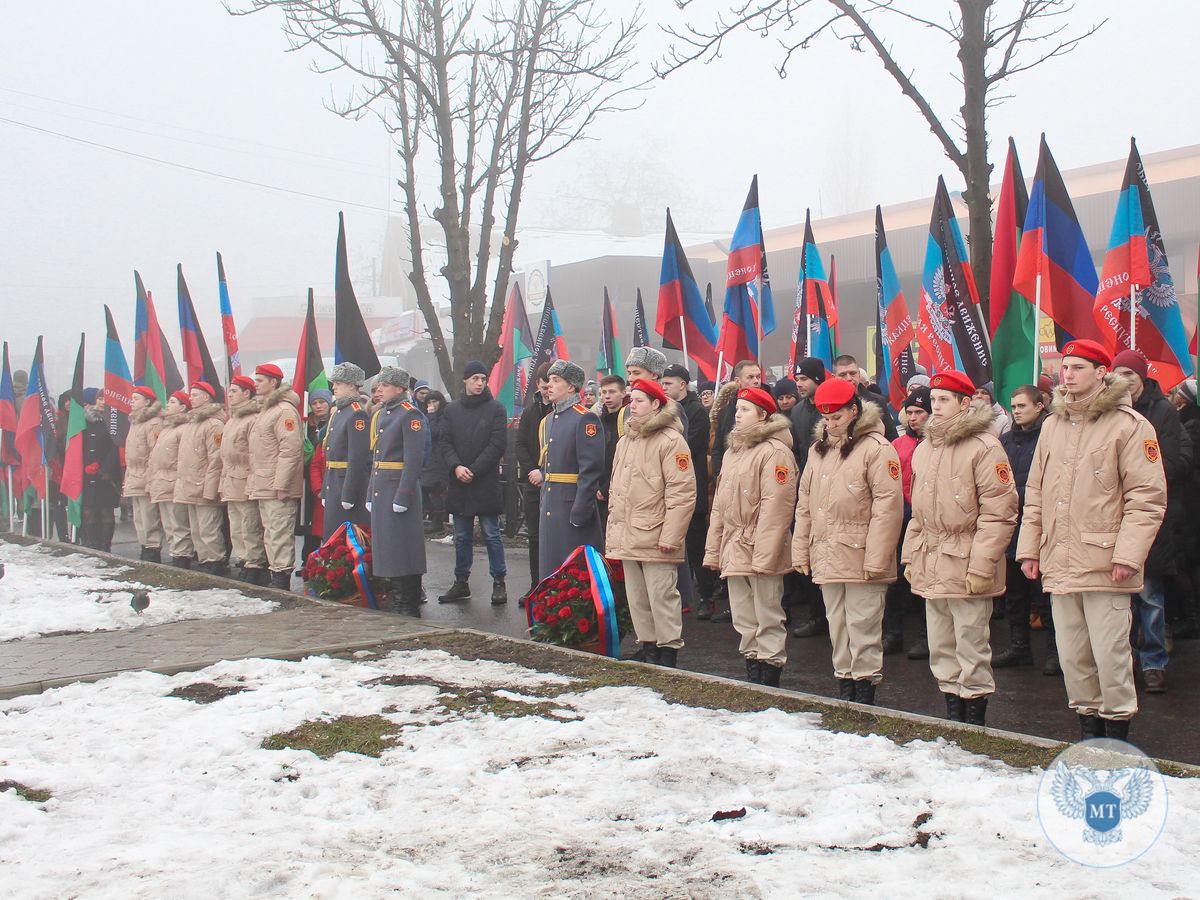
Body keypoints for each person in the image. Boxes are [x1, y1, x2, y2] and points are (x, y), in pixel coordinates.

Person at [1018, 340, 1166, 741]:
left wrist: (1128, 556)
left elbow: (1147, 499)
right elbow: (1036, 491)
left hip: (1105, 562)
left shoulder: (1130, 425)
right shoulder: (1052, 425)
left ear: (1102, 373)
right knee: (1073, 657)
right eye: (1065, 367)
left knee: (1110, 656)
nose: (1068, 374)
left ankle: (1116, 738)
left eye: (1079, 367)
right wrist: (1030, 548)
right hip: (1060, 559)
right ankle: (1089, 734)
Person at [902, 369, 1017, 727]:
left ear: (965, 404)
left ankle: (974, 718)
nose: (935, 407)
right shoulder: (925, 449)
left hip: (968, 559)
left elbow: (1000, 513)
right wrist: (910, 556)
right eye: (933, 400)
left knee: (971, 643)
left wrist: (982, 565)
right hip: (932, 559)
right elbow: (917, 512)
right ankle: (952, 712)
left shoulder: (984, 447)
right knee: (941, 644)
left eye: (944, 400)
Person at [793, 378, 903, 704]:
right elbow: (805, 503)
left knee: (863, 625)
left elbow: (888, 508)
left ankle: (865, 692)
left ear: (855, 411)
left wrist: (877, 559)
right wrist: (801, 549)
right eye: (826, 418)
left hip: (861, 554)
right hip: (827, 551)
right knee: (837, 624)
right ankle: (845, 685)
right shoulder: (818, 451)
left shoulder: (877, 449)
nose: (831, 424)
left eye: (837, 417)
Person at [703, 386, 796, 687]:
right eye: (737, 409)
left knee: (767, 612)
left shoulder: (775, 451)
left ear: (763, 415)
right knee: (743, 614)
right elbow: (720, 505)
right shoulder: (733, 452)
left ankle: (769, 672)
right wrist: (714, 549)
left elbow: (776, 506)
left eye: (745, 409)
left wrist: (765, 554)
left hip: (759, 544)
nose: (737, 415)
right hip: (734, 543)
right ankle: (752, 667)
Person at [1111, 349, 1190, 694]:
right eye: (1119, 374)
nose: (1125, 381)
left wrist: (1142, 479)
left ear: (1142, 378)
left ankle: (1154, 662)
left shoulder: (1163, 412)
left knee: (1151, 597)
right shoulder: (1110, 413)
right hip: (1113, 517)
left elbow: (1178, 459)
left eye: (1131, 374)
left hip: (1150, 517)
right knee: (1117, 600)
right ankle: (1121, 663)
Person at [605, 379, 696, 667]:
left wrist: (671, 536)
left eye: (640, 400)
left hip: (656, 533)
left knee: (662, 596)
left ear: (656, 404)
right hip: (629, 532)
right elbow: (617, 489)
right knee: (637, 597)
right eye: (631, 399)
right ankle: (648, 646)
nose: (633, 404)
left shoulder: (671, 441)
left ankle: (668, 651)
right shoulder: (626, 440)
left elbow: (682, 493)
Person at [995, 385, 1057, 672]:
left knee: (1043, 593)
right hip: (1011, 524)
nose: (1017, 411)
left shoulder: (1050, 436)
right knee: (1015, 594)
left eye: (1022, 406)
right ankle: (1019, 647)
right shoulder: (1006, 440)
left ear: (1039, 406)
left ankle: (1055, 651)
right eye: (1014, 406)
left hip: (1039, 525)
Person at [437, 360, 509, 605]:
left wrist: (474, 470)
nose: (480, 383)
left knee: (491, 534)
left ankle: (499, 581)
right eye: (475, 378)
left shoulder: (496, 408)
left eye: (483, 378)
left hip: (484, 481)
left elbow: (497, 444)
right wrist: (456, 466)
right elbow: (444, 441)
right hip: (459, 481)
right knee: (462, 536)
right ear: (465, 380)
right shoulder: (451, 410)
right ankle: (461, 582)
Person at [537, 360, 604, 579]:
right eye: (549, 380)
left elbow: (590, 469)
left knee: (573, 573)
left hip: (571, 504)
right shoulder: (548, 420)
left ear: (571, 387)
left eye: (556, 381)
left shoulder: (584, 418)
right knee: (550, 568)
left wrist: (581, 509)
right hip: (551, 502)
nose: (549, 385)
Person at [368, 366, 427, 613]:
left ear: (400, 389)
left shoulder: (409, 415)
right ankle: (396, 593)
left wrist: (403, 494)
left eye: (385, 385)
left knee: (403, 546)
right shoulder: (382, 414)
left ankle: (408, 598)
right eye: (379, 385)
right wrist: (371, 490)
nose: (379, 389)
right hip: (383, 487)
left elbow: (413, 460)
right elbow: (377, 458)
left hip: (399, 489)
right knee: (388, 545)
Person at [662, 364, 714, 618]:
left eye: (669, 383)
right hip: (671, 487)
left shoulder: (696, 412)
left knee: (696, 545)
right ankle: (683, 593)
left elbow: (688, 447)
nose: (664, 388)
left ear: (683, 384)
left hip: (692, 486)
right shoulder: (667, 410)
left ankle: (707, 596)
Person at [247, 363, 304, 590]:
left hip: (277, 485)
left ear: (273, 382)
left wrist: (281, 484)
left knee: (279, 532)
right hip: (264, 481)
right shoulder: (266, 410)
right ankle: (275, 575)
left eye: (260, 380)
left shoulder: (283, 411)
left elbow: (290, 450)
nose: (255, 384)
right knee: (270, 532)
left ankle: (281, 579)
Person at [886, 385, 930, 658]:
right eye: (909, 412)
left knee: (924, 579)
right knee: (897, 582)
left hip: (924, 519)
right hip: (900, 518)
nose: (913, 417)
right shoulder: (897, 444)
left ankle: (926, 637)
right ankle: (893, 633)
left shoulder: (935, 444)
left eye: (919, 412)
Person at [789, 357, 827, 639]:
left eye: (804, 379)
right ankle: (817, 616)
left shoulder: (829, 407)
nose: (799, 385)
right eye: (797, 379)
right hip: (807, 487)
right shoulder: (798, 411)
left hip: (832, 490)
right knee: (808, 552)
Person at [175, 381, 227, 575]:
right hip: (190, 484)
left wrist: (210, 488)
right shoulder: (191, 423)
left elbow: (215, 459)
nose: (190, 398)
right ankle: (204, 559)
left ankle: (215, 560)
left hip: (204, 484)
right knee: (196, 529)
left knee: (209, 528)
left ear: (207, 397)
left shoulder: (213, 424)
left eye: (195, 394)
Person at [220, 374, 266, 584]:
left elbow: (254, 453)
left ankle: (255, 562)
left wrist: (251, 479)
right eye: (229, 392)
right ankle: (244, 559)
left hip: (246, 477)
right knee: (236, 526)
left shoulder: (252, 419)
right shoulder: (232, 420)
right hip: (231, 478)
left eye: (235, 391)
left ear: (247, 393)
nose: (230, 395)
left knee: (250, 525)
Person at [321, 363, 372, 542]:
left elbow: (357, 458)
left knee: (347, 539)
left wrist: (349, 492)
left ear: (352, 385)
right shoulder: (339, 412)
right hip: (334, 481)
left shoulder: (357, 414)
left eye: (338, 383)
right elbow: (330, 456)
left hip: (346, 483)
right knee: (332, 535)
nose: (333, 387)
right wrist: (325, 490)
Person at [515, 363, 553, 595]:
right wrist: (532, 470)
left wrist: (544, 472)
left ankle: (553, 585)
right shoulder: (531, 411)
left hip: (554, 480)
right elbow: (520, 444)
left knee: (554, 536)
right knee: (535, 536)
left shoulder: (561, 411)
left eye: (551, 384)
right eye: (543, 385)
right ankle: (535, 584)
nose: (547, 389)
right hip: (533, 482)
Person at [1169, 378, 1200, 639]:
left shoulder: (1189, 425)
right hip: (1186, 501)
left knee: (1185, 560)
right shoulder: (1184, 423)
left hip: (1187, 501)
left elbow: (1183, 462)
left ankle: (1189, 617)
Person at [148, 391, 193, 568]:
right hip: (162, 480)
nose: (168, 404)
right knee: (168, 523)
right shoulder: (167, 428)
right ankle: (175, 551)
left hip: (174, 480)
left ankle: (182, 555)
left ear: (183, 407)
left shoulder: (183, 429)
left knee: (178, 522)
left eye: (173, 402)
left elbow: (184, 457)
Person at [121, 386, 164, 562]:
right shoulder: (135, 422)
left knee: (149, 516)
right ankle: (144, 544)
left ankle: (152, 548)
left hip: (146, 475)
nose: (132, 401)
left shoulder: (153, 423)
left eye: (137, 398)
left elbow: (155, 452)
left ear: (147, 402)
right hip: (134, 474)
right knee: (139, 517)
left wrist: (151, 479)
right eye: (132, 398)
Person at [79, 388, 122, 552]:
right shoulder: (85, 420)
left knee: (105, 510)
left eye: (106, 399)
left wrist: (106, 469)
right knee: (89, 510)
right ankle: (92, 544)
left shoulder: (114, 421)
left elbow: (115, 447)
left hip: (106, 474)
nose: (103, 402)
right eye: (100, 398)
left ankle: (105, 546)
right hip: (87, 472)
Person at [709, 360, 762, 482]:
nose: (756, 381)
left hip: (755, 477)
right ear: (738, 381)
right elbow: (718, 448)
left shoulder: (771, 407)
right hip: (729, 477)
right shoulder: (726, 410)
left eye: (758, 377)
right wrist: (719, 476)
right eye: (750, 377)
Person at [299, 388, 333, 565]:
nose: (318, 406)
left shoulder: (332, 425)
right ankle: (309, 562)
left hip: (328, 481)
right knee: (310, 526)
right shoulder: (306, 425)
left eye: (322, 402)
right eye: (314, 403)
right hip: (309, 481)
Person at [596, 374, 628, 525]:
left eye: (612, 392)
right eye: (603, 392)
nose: (607, 396)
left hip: (619, 489)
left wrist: (606, 487)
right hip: (596, 490)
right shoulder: (596, 422)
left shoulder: (628, 421)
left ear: (623, 393)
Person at [420, 389, 449, 536]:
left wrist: (431, 416)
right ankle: (430, 519)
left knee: (436, 492)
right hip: (429, 459)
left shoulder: (443, 416)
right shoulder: (425, 416)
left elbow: (435, 433)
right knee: (425, 489)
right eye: (429, 402)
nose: (431, 405)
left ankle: (438, 522)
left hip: (439, 460)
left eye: (434, 401)